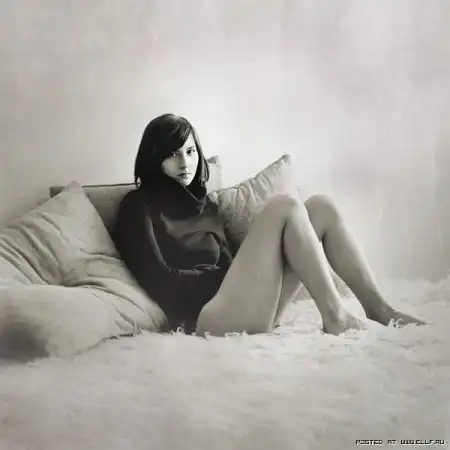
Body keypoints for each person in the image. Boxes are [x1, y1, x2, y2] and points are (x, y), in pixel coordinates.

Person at [113, 113, 425, 337]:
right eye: (173, 154)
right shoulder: (136, 206)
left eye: (191, 151)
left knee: (320, 207)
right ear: (154, 158)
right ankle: (335, 316)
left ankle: (379, 309)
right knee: (284, 206)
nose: (185, 163)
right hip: (204, 319)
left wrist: (244, 276)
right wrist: (222, 279)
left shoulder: (204, 204)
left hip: (246, 306)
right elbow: (160, 281)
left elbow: (230, 261)